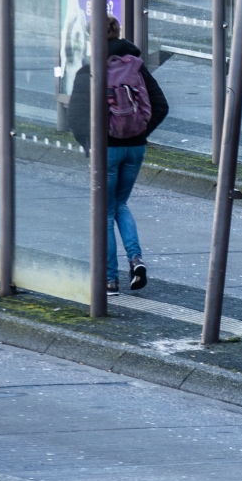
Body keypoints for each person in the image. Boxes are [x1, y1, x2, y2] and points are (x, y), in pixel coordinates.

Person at [66, 18, 169, 293]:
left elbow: (75, 117)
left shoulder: (90, 72)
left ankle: (110, 278)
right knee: (120, 205)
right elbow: (161, 106)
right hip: (135, 148)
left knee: (105, 210)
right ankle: (135, 260)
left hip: (107, 150)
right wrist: (139, 132)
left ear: (93, 39)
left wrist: (91, 146)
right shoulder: (136, 67)